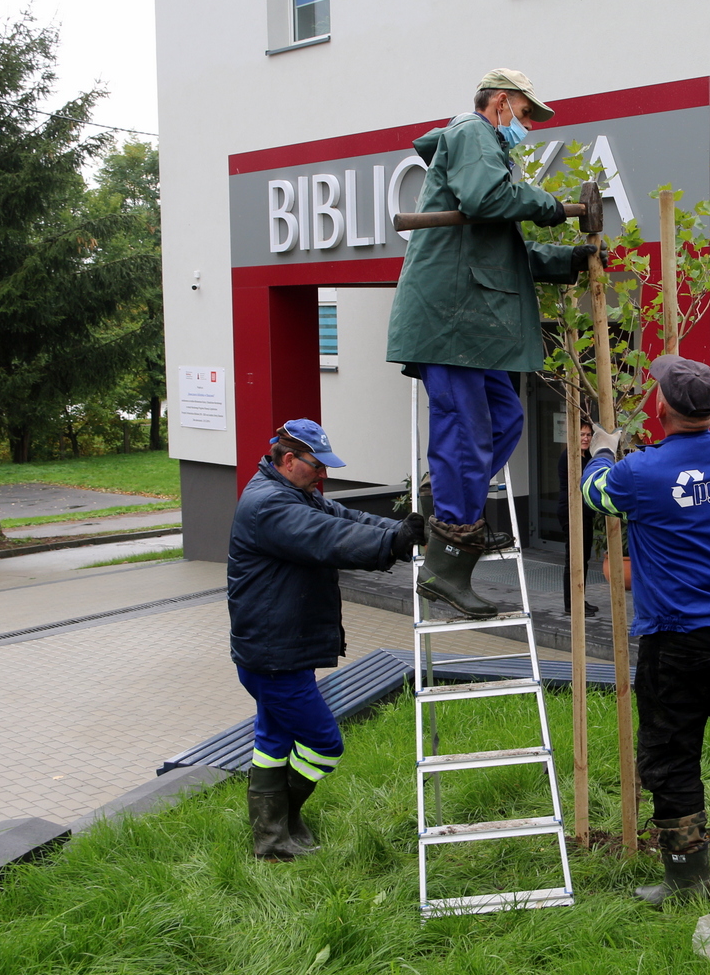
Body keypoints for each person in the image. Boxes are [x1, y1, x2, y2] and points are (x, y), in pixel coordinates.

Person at [386, 68, 596, 619]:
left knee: (505, 420)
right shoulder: (472, 132)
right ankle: (446, 561)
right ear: (501, 102)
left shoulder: (487, 158)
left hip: (472, 329)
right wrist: (550, 204)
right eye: (526, 115)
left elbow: (505, 254)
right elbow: (485, 199)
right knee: (467, 430)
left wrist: (565, 261)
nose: (528, 127)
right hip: (449, 323)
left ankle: (447, 503)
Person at [581, 355, 710, 904]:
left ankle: (688, 880)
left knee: (670, 754)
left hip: (680, 638)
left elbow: (595, 495)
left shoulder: (642, 472)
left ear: (661, 407)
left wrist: (599, 448)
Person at [227, 418, 426, 861]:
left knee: (273, 741)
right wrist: (392, 543)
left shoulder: (294, 493)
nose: (324, 476)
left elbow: (346, 517)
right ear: (290, 459)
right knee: (323, 743)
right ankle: (279, 826)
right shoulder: (270, 506)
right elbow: (329, 536)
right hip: (273, 654)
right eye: (317, 467)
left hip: (276, 648)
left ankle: (272, 837)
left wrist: (401, 531)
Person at [558, 418, 599, 617]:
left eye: (588, 435)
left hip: (585, 512)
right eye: (581, 435)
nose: (585, 438)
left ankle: (579, 599)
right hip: (572, 512)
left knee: (583, 559)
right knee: (574, 559)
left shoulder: (587, 456)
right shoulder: (570, 458)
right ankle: (571, 604)